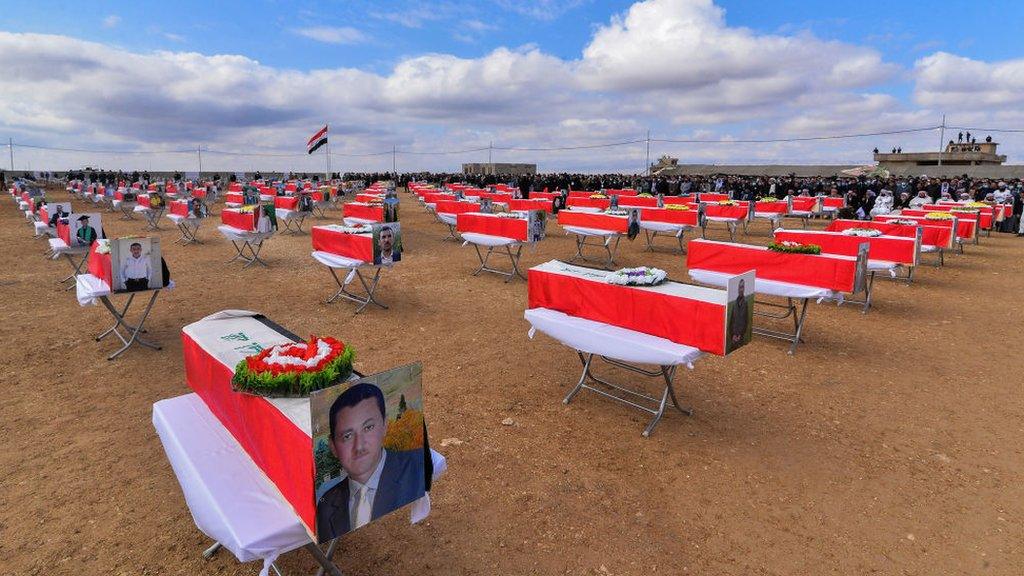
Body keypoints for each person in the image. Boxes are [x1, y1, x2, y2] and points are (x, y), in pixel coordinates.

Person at [316, 383, 426, 541]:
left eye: (368, 428)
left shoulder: (417, 468)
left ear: (384, 426)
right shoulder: (327, 506)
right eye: (347, 436)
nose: (359, 446)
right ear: (333, 446)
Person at [728, 279, 750, 351]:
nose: (741, 289)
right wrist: (733, 334)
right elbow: (731, 321)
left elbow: (746, 321)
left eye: (742, 287)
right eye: (740, 287)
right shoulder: (734, 304)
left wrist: (741, 334)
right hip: (733, 337)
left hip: (741, 337)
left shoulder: (745, 303)